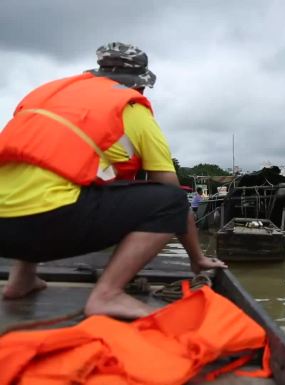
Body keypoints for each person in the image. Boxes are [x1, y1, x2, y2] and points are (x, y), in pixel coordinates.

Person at [0, 42, 226, 319]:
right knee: (171, 200)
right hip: (47, 224)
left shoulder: (48, 98)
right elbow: (173, 197)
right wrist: (197, 258)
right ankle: (108, 295)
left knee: (48, 180)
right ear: (139, 85)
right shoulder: (130, 109)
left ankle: (21, 279)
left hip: (5, 236)